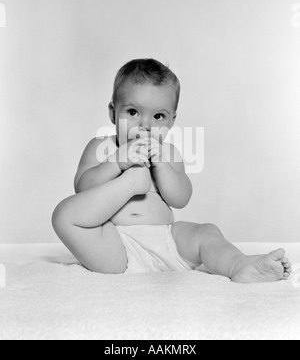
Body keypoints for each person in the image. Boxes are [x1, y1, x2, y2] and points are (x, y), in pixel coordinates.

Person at [52, 59, 292, 283]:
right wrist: (116, 165)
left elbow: (181, 198)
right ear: (113, 112)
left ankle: (239, 264)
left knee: (207, 231)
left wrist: (162, 165)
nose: (145, 125)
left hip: (166, 239)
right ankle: (130, 184)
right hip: (115, 245)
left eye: (158, 116)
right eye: (133, 112)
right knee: (64, 215)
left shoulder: (168, 152)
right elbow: (82, 190)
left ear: (171, 121)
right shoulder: (101, 147)